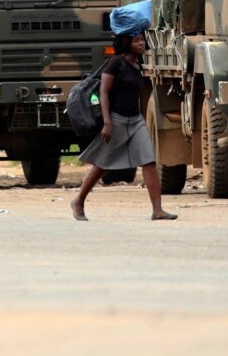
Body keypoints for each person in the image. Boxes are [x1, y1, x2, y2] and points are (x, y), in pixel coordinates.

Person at [71, 32, 178, 222]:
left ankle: (158, 210)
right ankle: (78, 201)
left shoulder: (138, 65)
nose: (141, 43)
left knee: (149, 160)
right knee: (103, 164)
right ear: (126, 43)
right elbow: (103, 93)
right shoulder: (115, 63)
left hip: (135, 120)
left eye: (142, 40)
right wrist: (107, 122)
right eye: (136, 41)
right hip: (116, 119)